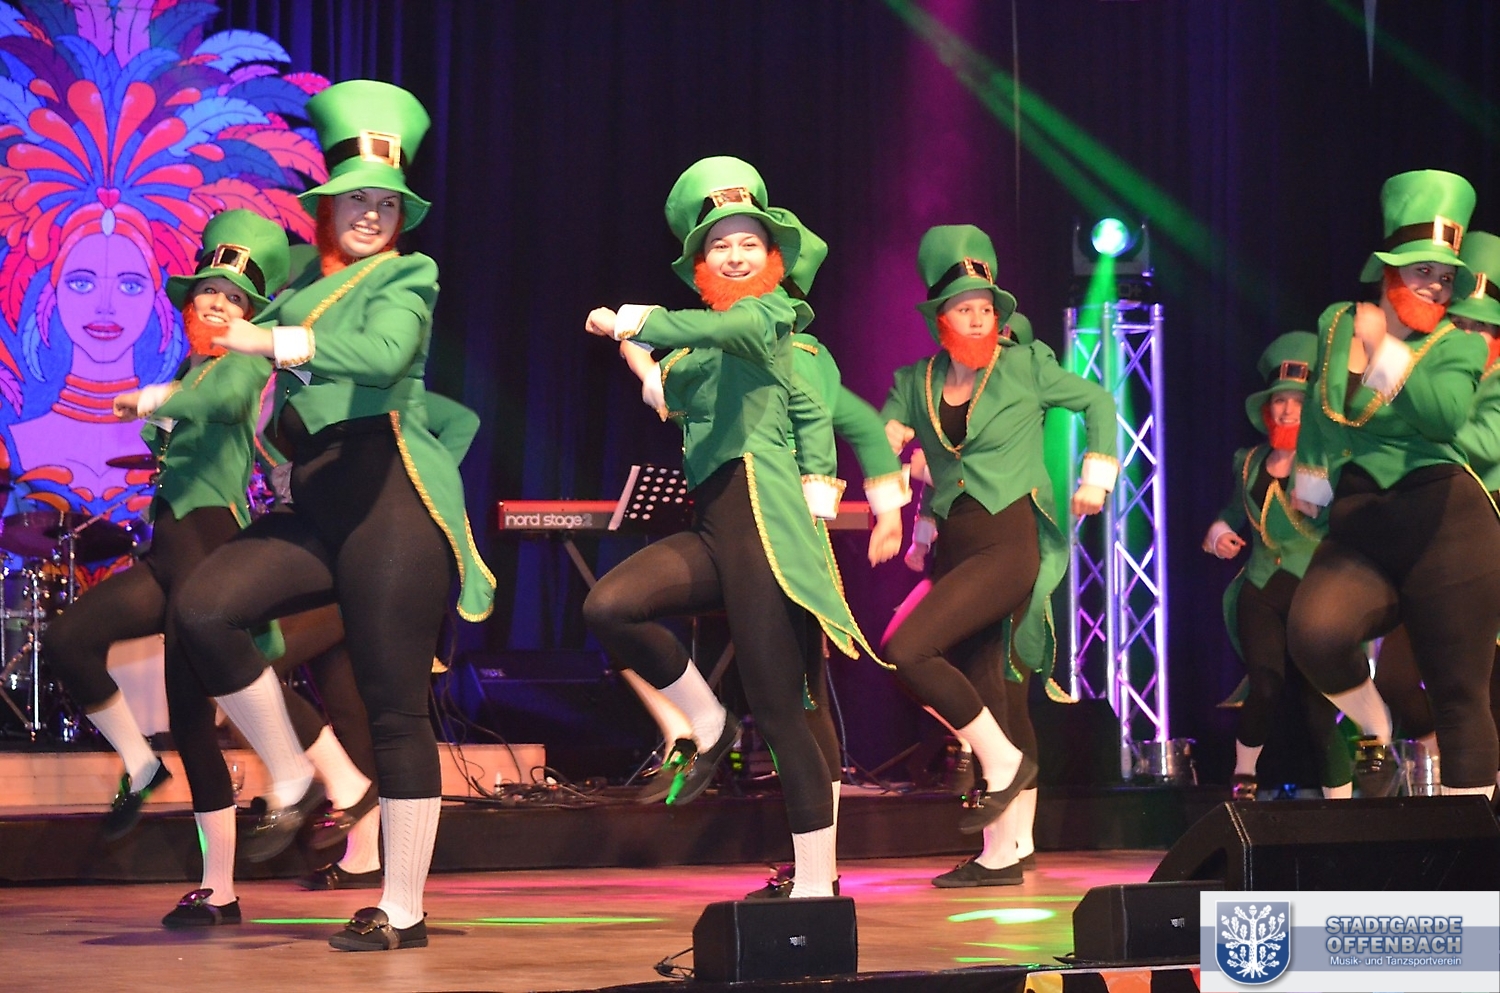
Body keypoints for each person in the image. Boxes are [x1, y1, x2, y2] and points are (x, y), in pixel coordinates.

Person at [172, 80, 495, 951]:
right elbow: (247, 376)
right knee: (203, 608)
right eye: (355, 199)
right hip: (321, 502)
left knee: (394, 708)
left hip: (392, 498)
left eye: (385, 203)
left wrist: (274, 343)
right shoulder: (297, 294)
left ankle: (403, 906)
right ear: (327, 209)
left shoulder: (409, 276)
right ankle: (294, 775)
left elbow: (386, 353)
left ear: (400, 216)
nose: (370, 214)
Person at [583, 156, 881, 899]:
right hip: (716, 522)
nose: (737, 255)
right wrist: (637, 353)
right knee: (610, 605)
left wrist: (632, 318)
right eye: (721, 245)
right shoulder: (699, 345)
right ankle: (708, 722)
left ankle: (816, 884)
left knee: (783, 706)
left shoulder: (770, 316)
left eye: (750, 242)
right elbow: (666, 387)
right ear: (700, 261)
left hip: (764, 516)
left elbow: (797, 392)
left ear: (773, 257)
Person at [41, 209, 350, 926]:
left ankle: (231, 876)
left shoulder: (239, 362)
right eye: (207, 290)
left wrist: (159, 400)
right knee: (70, 641)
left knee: (197, 711)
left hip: (208, 540)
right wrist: (167, 402)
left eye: (233, 298)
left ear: (249, 315)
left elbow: (226, 401)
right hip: (170, 546)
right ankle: (141, 765)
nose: (215, 302)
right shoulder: (194, 365)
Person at [881, 226, 1117, 885]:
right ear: (941, 318)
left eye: (986, 306)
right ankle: (1006, 852)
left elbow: (1098, 401)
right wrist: (898, 496)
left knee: (908, 648)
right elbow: (889, 438)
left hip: (1008, 545)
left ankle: (1003, 770)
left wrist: (1096, 477)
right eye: (965, 307)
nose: (980, 317)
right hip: (957, 549)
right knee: (994, 688)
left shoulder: (1024, 364)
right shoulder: (918, 380)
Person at [1288, 170, 1500, 801]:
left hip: (1446, 522)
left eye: (1444, 275)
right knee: (1315, 634)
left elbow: (1444, 418)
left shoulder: (1458, 343)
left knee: (1458, 695)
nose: (1434, 284)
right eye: (1420, 269)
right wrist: (1311, 481)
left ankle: (1469, 848)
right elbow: (1319, 410)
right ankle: (1374, 728)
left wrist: (1387, 355)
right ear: (1387, 269)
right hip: (1363, 523)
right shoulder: (1336, 324)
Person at [1201, 332, 1354, 801]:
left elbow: (1342, 517)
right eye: (1280, 402)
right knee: (1265, 685)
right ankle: (1244, 777)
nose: (1287, 411)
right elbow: (1233, 511)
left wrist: (1319, 489)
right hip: (1261, 590)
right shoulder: (1248, 462)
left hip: (1314, 595)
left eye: (1298, 402)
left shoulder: (1331, 460)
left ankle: (1342, 808)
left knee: (1318, 704)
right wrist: (1217, 531)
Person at [1374, 230, 1500, 794]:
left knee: (1479, 691)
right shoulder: (1434, 364)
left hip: (1483, 543)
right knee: (1398, 676)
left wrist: (1427, 422)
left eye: (1483, 326)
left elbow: (1483, 443)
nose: (1470, 334)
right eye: (1463, 321)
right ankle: (1441, 756)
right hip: (1431, 544)